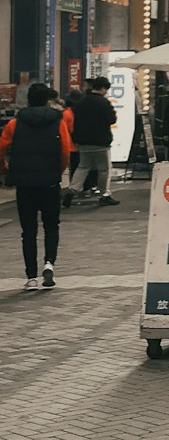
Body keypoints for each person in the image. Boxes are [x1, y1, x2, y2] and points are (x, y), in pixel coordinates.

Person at [0, 82, 75, 290]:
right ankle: (49, 263)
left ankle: (31, 277)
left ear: (28, 100)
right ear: (47, 100)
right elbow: (65, 151)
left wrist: (7, 169)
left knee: (28, 230)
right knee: (51, 225)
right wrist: (57, 172)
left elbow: (2, 147)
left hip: (25, 183)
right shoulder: (57, 121)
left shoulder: (15, 123)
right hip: (49, 181)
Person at [65, 75, 118, 207]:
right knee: (104, 169)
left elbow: (76, 122)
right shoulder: (104, 102)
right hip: (100, 142)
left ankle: (73, 189)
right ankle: (104, 194)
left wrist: (77, 139)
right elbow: (112, 119)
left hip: (83, 142)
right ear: (103, 89)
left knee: (83, 166)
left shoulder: (82, 102)